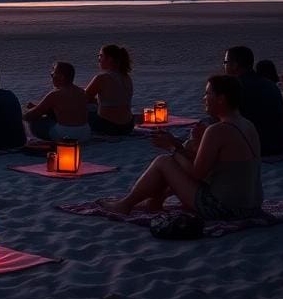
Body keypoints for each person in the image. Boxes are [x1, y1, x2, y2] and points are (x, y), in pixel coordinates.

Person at [100, 75, 263, 220]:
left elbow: (197, 173)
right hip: (251, 206)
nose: (204, 98)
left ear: (221, 98)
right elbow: (219, 165)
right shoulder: (247, 125)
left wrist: (172, 148)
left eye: (207, 93)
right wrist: (181, 145)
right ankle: (154, 201)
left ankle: (125, 204)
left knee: (163, 162)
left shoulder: (218, 130)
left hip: (225, 209)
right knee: (186, 149)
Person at [223, 45, 283, 156]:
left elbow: (225, 120)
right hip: (278, 144)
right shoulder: (269, 84)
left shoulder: (236, 87)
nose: (224, 65)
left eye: (225, 62)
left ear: (235, 65)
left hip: (257, 146)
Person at [23, 62, 90, 142]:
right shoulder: (81, 92)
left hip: (66, 135)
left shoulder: (55, 94)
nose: (51, 78)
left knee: (34, 122)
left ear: (61, 77)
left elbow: (31, 115)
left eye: (52, 75)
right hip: (85, 134)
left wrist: (24, 113)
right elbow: (67, 110)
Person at [84, 44, 134, 135]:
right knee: (93, 107)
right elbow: (114, 99)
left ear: (110, 59)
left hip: (108, 126)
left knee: (75, 112)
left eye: (100, 56)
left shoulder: (102, 78)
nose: (98, 59)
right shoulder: (126, 77)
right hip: (128, 126)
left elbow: (83, 99)